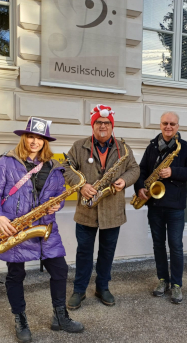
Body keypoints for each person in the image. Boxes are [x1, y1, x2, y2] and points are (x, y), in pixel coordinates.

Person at [0, 117, 84, 343]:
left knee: (60, 270)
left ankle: (60, 317)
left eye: (40, 138)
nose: (34, 141)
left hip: (45, 227)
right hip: (14, 227)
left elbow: (58, 193)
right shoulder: (6, 163)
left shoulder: (55, 166)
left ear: (45, 142)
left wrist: (57, 205)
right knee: (16, 274)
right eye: (31, 136)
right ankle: (20, 319)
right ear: (24, 137)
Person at [63, 105, 140, 309]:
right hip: (87, 210)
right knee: (84, 252)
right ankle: (79, 290)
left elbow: (134, 169)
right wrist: (81, 185)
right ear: (93, 125)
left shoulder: (123, 148)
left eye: (107, 123)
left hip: (113, 210)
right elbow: (65, 168)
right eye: (99, 122)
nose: (103, 126)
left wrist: (124, 180)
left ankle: (102, 287)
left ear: (111, 126)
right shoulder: (79, 146)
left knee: (107, 252)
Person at [134, 111, 187, 304]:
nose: (168, 127)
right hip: (155, 204)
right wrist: (139, 188)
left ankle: (177, 284)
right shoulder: (152, 147)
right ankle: (162, 280)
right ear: (160, 125)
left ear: (177, 126)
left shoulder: (186, 148)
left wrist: (173, 171)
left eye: (172, 124)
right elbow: (142, 170)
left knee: (176, 246)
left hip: (175, 206)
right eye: (165, 123)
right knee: (158, 244)